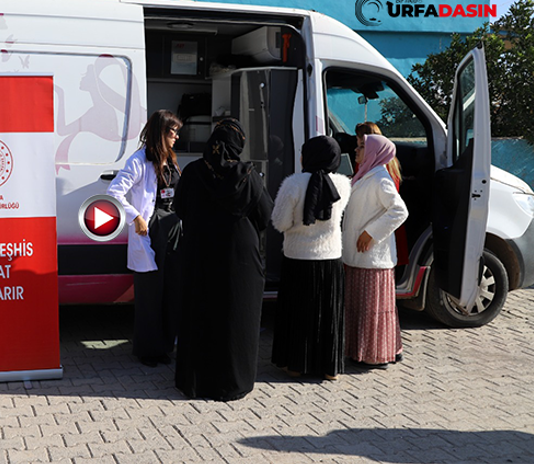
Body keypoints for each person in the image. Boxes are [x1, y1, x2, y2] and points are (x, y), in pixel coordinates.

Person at [173, 118, 273, 401]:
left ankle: (196, 382)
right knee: (236, 314)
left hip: (200, 250)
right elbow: (266, 215)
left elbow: (180, 208)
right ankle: (232, 381)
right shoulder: (248, 175)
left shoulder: (193, 172)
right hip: (239, 255)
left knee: (200, 309)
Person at [271, 136, 351, 381]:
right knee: (328, 314)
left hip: (298, 257)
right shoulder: (343, 184)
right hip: (331, 257)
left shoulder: (293, 183)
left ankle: (296, 365)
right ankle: (329, 368)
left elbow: (279, 222)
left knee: (298, 314)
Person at [107, 109, 183, 367]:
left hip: (173, 229)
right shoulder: (139, 160)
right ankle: (148, 351)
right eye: (173, 132)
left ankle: (164, 347)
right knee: (150, 293)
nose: (176, 137)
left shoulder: (170, 159)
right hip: (151, 229)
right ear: (161, 132)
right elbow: (114, 192)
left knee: (170, 290)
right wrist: (136, 217)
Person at [342, 134, 409, 368]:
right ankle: (360, 352)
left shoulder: (380, 179)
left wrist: (371, 233)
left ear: (374, 153)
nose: (356, 150)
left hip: (373, 257)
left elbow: (399, 211)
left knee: (373, 310)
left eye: (362, 147)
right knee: (360, 308)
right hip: (359, 256)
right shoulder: (364, 175)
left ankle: (375, 355)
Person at [355, 122, 408, 266]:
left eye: (360, 142)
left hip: (375, 224)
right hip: (386, 224)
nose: (356, 148)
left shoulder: (373, 167)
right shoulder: (390, 160)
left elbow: (398, 210)